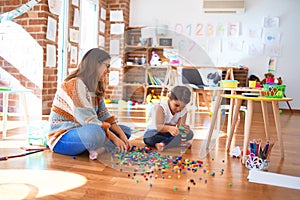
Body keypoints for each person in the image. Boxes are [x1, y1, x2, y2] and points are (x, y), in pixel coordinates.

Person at [47, 48, 132, 160]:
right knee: (96, 133)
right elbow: (89, 121)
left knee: (126, 131)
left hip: (85, 130)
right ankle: (101, 147)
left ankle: (98, 149)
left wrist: (122, 136)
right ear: (95, 65)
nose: (108, 71)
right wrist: (115, 139)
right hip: (63, 137)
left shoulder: (94, 87)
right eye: (107, 66)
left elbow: (105, 116)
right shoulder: (74, 85)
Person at [143, 85, 194, 152]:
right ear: (170, 98)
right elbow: (158, 126)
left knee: (190, 133)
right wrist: (169, 128)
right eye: (176, 105)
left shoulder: (184, 111)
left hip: (170, 134)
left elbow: (180, 127)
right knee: (148, 138)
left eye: (182, 107)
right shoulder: (161, 107)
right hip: (155, 132)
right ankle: (174, 142)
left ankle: (163, 143)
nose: (179, 109)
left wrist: (184, 128)